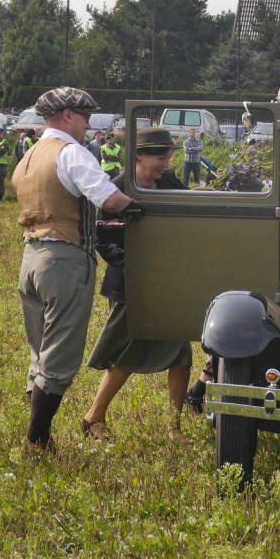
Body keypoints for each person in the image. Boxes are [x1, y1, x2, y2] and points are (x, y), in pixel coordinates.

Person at [10, 87, 135, 452]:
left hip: (32, 258)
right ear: (67, 115)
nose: (88, 124)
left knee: (41, 350)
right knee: (61, 354)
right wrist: (140, 205)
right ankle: (38, 440)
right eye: (84, 116)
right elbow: (110, 199)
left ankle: (39, 435)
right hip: (65, 262)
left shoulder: (29, 156)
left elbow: (52, 208)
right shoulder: (72, 153)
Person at [82, 127, 192, 442]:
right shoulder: (114, 190)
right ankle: (94, 416)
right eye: (161, 157)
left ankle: (174, 427)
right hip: (131, 286)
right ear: (139, 155)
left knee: (180, 352)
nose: (166, 163)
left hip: (166, 284)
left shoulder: (168, 181)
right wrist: (137, 267)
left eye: (169, 156)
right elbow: (104, 243)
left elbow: (185, 206)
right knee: (129, 352)